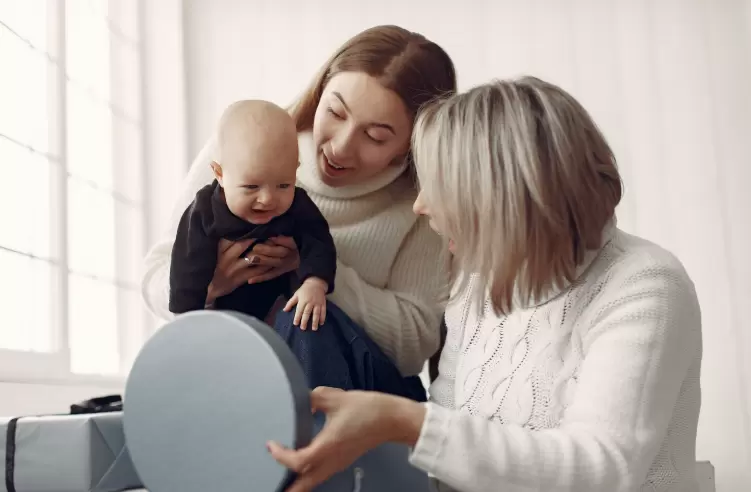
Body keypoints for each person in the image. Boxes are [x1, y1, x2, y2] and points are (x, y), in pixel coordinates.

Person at [268, 77, 703, 492]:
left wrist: (405, 421)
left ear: (503, 197)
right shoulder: (477, 281)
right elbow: (449, 449)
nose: (421, 206)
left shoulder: (644, 284)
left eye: (442, 187)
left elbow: (601, 470)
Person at [141, 26, 458, 399]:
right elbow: (154, 278)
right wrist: (208, 285)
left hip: (359, 390)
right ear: (320, 92)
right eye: (335, 112)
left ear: (412, 143)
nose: (341, 147)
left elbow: (414, 346)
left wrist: (314, 273)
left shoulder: (423, 204)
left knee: (305, 322)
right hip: (244, 373)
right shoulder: (241, 149)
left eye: (375, 136)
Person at [168, 100, 337, 330]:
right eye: (251, 187)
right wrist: (186, 319)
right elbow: (185, 268)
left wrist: (314, 283)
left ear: (295, 171)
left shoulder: (298, 206)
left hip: (282, 313)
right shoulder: (205, 211)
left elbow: (319, 242)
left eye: (283, 185)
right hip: (220, 317)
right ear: (219, 174)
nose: (267, 199)